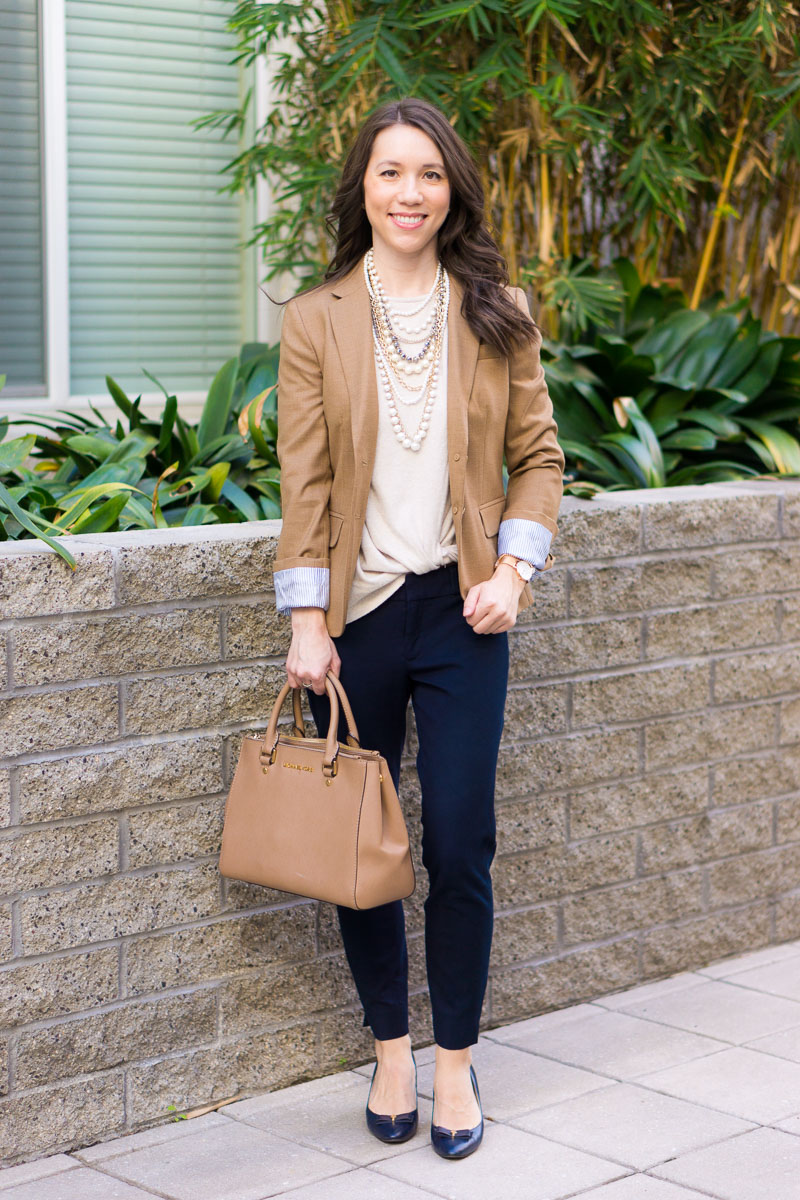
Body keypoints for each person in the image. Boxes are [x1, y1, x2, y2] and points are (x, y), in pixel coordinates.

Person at [272, 96, 564, 1159]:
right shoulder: (314, 320)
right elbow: (302, 483)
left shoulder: (497, 310)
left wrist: (515, 574)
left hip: (461, 611)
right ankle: (391, 1048)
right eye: (390, 172)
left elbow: (538, 458)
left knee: (459, 839)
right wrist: (308, 621)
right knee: (364, 845)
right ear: (362, 186)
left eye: (429, 174)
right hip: (354, 621)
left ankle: (454, 1066)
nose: (409, 193)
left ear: (452, 191)